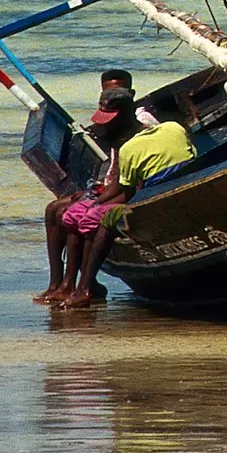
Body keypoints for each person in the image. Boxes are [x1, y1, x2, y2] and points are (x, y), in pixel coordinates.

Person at [52, 110, 198, 310]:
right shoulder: (174, 127)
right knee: (80, 213)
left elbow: (129, 192)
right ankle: (75, 285)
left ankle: (84, 287)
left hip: (155, 200)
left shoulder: (128, 149)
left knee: (105, 219)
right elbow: (193, 155)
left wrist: (97, 203)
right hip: (186, 187)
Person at [30, 74, 134, 304]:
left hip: (114, 192)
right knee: (53, 210)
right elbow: (109, 170)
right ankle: (57, 283)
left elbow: (122, 182)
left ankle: (77, 284)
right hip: (104, 187)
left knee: (70, 214)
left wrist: (95, 199)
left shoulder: (132, 133)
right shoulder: (108, 130)